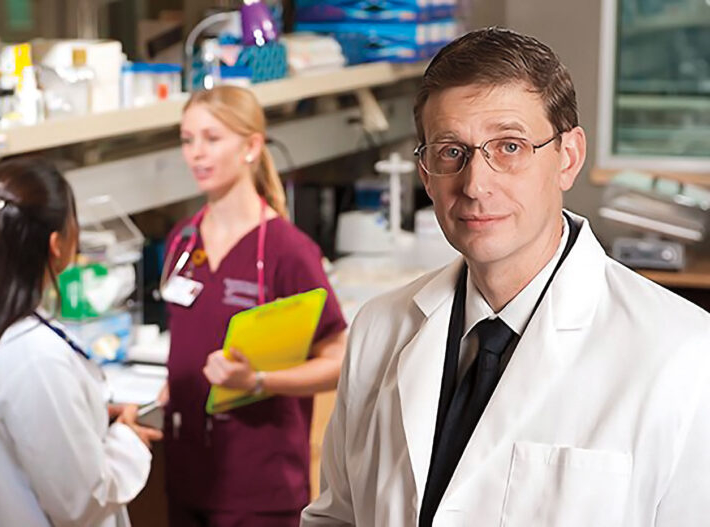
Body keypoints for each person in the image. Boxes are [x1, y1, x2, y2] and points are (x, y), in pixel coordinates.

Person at [302, 27, 710, 527]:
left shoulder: (684, 355)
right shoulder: (378, 329)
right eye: (452, 151)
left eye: (510, 146)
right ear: (426, 174)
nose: (476, 184)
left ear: (568, 157)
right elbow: (336, 518)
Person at [0, 157, 161, 527]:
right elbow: (81, 501)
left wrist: (88, 417)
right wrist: (127, 440)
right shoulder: (35, 356)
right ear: (57, 244)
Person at [160, 85, 348, 526]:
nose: (196, 154)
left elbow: (339, 359)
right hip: (188, 475)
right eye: (188, 140)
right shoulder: (182, 241)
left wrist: (258, 380)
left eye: (212, 138)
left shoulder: (287, 250)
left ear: (251, 146)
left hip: (258, 484)